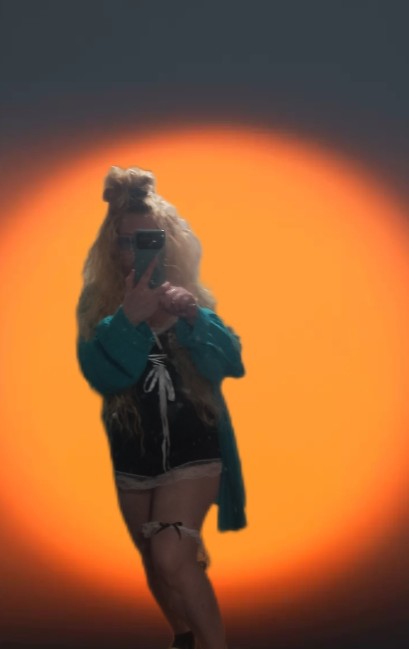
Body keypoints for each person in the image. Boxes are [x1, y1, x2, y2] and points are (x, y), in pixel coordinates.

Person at [76, 165, 247, 649]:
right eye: (126, 241)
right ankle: (184, 637)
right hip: (134, 453)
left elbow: (230, 364)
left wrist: (193, 318)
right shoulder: (97, 307)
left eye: (147, 239)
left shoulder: (189, 298)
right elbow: (104, 376)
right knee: (154, 561)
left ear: (167, 243)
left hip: (196, 446)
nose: (136, 250)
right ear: (112, 247)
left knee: (170, 554)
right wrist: (127, 319)